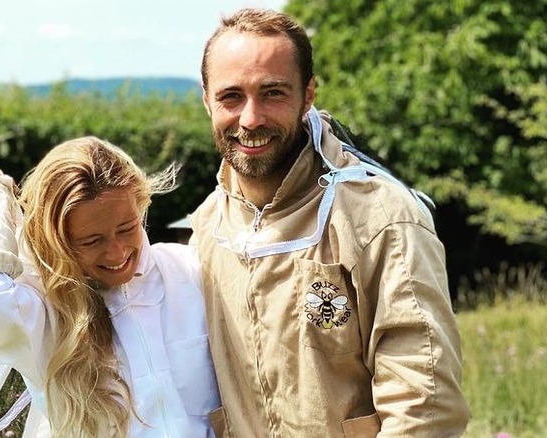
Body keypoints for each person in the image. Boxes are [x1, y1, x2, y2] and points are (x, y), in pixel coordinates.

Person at [189, 8, 470, 437]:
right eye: (232, 96)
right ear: (206, 99)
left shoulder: (379, 218)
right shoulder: (209, 228)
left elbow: (424, 406)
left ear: (308, 95)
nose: (250, 119)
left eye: (273, 93)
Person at [0, 136, 220, 437]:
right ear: (57, 241)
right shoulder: (44, 310)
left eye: (127, 229)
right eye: (91, 241)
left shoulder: (188, 270)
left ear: (141, 206)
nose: (116, 253)